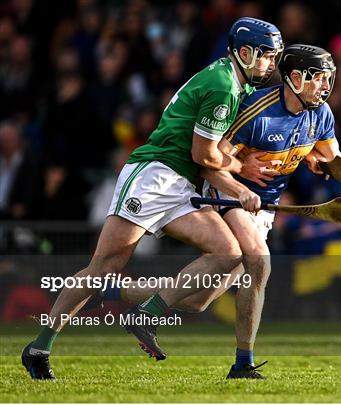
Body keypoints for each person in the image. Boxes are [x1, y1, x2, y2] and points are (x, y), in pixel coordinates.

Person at [99, 44, 341, 379]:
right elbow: (210, 164)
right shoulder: (256, 111)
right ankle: (240, 362)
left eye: (330, 79)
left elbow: (336, 161)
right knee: (259, 259)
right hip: (228, 197)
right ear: (295, 78)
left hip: (264, 208)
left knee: (200, 300)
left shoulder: (321, 113)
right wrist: (240, 186)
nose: (327, 86)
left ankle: (112, 292)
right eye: (320, 79)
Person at [21, 17, 284, 380]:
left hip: (180, 185)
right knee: (102, 268)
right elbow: (204, 155)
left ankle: (146, 312)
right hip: (154, 177)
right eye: (267, 56)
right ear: (244, 52)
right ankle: (39, 346)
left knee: (228, 254)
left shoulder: (236, 84)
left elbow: (212, 151)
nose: (272, 64)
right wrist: (240, 181)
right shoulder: (224, 85)